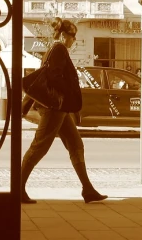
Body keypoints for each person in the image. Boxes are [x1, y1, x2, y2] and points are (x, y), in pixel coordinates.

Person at [21, 18, 107, 204]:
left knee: (76, 144)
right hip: (54, 108)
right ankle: (18, 188)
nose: (74, 40)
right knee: (39, 148)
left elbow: (46, 75)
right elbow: (52, 77)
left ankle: (88, 189)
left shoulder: (54, 50)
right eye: (72, 36)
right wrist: (69, 90)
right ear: (62, 35)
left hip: (59, 108)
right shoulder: (59, 49)